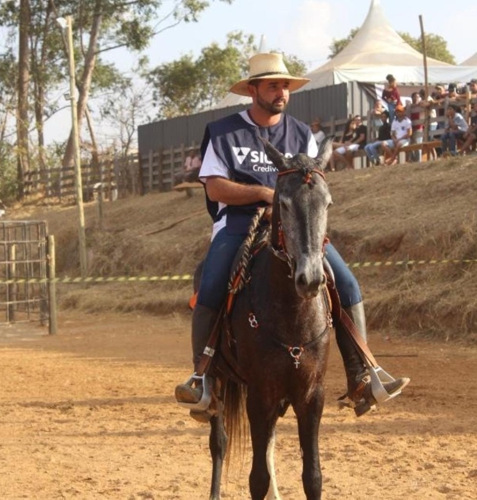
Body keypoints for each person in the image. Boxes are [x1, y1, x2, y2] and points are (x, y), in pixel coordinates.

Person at [174, 52, 409, 421]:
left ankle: (362, 376)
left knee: (346, 282)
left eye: (285, 85)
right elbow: (216, 188)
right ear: (253, 90)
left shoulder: (301, 134)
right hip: (239, 223)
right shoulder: (222, 132)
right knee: (213, 283)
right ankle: (204, 379)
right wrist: (263, 194)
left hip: (296, 225)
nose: (281, 92)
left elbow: (312, 183)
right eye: (272, 85)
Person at [407, 92, 423, 162]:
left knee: (418, 144)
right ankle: (413, 160)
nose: (417, 98)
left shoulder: (420, 105)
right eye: (415, 96)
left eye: (418, 96)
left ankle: (418, 161)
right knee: (411, 144)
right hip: (411, 128)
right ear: (412, 98)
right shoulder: (409, 106)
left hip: (418, 127)